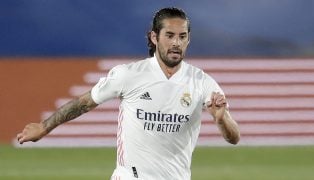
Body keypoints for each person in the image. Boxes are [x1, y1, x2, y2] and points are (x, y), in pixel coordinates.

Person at [17, 7, 240, 180]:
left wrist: (222, 119)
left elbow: (233, 138)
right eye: (170, 35)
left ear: (188, 39)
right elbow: (84, 102)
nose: (176, 43)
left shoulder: (202, 82)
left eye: (182, 37)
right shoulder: (129, 75)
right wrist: (44, 127)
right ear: (154, 37)